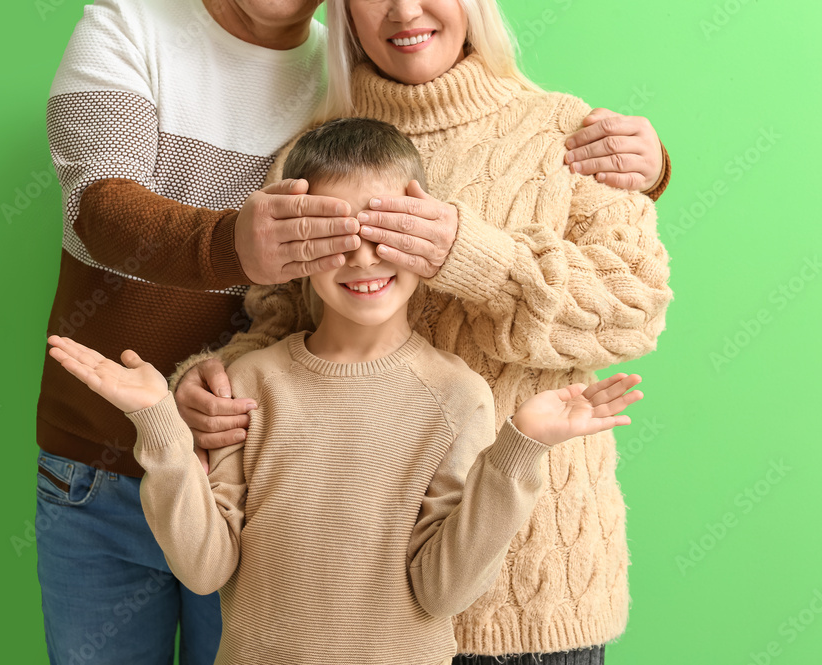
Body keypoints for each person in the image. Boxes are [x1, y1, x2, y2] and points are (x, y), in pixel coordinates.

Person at [37, 0, 669, 661]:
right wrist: (221, 377)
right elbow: (281, 314)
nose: (403, 10)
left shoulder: (571, 133)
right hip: (347, 601)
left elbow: (636, 304)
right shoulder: (322, 128)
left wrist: (478, 256)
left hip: (532, 589)